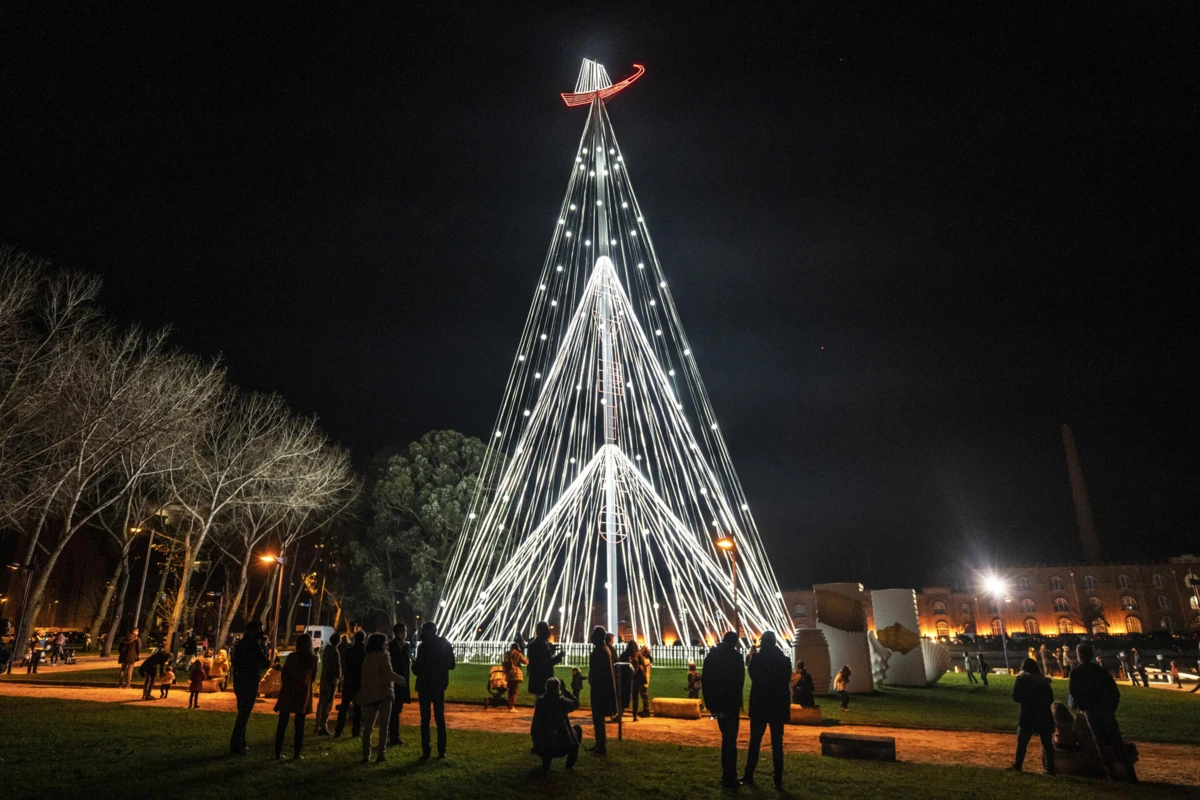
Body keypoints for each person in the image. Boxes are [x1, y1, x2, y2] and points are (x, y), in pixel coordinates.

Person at [1069, 643, 1137, 782]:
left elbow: (1075, 693)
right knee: (1117, 740)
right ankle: (1129, 772)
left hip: (1092, 710)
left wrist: (1084, 707)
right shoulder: (1100, 671)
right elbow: (1113, 691)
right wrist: (1111, 707)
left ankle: (1111, 772)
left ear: (1080, 655)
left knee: (1099, 741)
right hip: (1106, 709)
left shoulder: (1077, 672)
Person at [744, 631, 790, 790]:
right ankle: (778, 780)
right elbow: (786, 679)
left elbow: (753, 675)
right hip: (777, 706)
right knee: (777, 745)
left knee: (754, 742)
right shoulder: (784, 660)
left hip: (760, 705)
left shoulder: (757, 660)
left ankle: (749, 774)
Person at [703, 631, 745, 789]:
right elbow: (739, 682)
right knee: (730, 738)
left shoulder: (712, 655)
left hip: (717, 703)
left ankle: (727, 775)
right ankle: (730, 775)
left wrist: (709, 703)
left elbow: (706, 679)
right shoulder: (736, 657)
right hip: (731, 703)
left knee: (725, 736)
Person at [359, 632, 408, 764]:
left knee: (368, 727)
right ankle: (381, 753)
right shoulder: (384, 656)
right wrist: (400, 679)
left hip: (369, 694)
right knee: (383, 726)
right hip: (383, 693)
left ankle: (366, 754)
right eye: (385, 641)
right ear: (380, 643)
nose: (387, 643)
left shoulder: (367, 657)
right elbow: (387, 673)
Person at [412, 620, 456, 760]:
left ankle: (426, 750)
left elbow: (418, 669)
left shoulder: (423, 646)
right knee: (440, 717)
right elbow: (452, 665)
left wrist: (414, 665)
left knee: (425, 719)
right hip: (439, 685)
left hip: (425, 685)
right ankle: (442, 750)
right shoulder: (445, 644)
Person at [229, 621, 271, 756]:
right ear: (253, 631)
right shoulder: (254, 644)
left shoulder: (241, 643)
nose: (261, 633)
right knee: (244, 713)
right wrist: (263, 646)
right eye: (259, 630)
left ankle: (241, 741)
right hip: (250, 681)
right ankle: (236, 743)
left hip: (239, 680)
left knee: (243, 711)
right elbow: (265, 662)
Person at [1009, 657, 1056, 775]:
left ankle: (1018, 764)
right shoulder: (1044, 681)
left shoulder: (1022, 679)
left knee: (1022, 742)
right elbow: (1051, 699)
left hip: (1028, 714)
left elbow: (1016, 697)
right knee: (1047, 743)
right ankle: (1050, 768)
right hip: (1044, 715)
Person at [274, 634, 316, 761]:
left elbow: (284, 673)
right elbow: (313, 678)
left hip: (288, 691)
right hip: (302, 693)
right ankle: (297, 753)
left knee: (282, 723)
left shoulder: (292, 657)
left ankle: (277, 752)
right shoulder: (312, 659)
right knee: (299, 725)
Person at [531, 676, 582, 771]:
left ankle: (546, 763)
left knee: (547, 732)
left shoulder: (541, 701)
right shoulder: (562, 701)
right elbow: (576, 703)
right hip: (560, 746)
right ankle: (569, 765)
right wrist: (565, 690)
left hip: (540, 745)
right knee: (576, 730)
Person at [587, 626, 617, 756]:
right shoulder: (603, 649)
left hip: (600, 689)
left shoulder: (601, 651)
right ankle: (599, 743)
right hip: (600, 688)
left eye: (594, 634)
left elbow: (599, 671)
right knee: (598, 719)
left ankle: (601, 746)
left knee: (598, 718)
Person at [335, 630, 367, 738]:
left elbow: (345, 665)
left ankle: (338, 729)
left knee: (344, 706)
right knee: (358, 707)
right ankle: (356, 730)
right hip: (359, 681)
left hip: (349, 680)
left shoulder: (348, 651)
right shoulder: (364, 652)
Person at [387, 624, 411, 746]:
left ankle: (395, 736)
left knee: (397, 710)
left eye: (405, 631)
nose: (404, 633)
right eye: (401, 631)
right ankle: (393, 737)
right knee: (393, 711)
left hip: (403, 682)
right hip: (394, 682)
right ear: (396, 633)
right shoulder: (390, 647)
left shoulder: (407, 646)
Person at [525, 621, 563, 699]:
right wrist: (557, 658)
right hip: (541, 679)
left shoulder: (540, 644)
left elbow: (544, 659)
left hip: (541, 678)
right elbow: (543, 663)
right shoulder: (536, 645)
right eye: (547, 630)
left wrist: (551, 651)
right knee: (541, 700)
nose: (549, 632)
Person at [315, 633, 342, 736]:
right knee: (328, 703)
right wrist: (339, 676)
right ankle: (323, 725)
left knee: (321, 702)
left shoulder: (326, 651)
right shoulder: (335, 651)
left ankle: (318, 725)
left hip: (324, 679)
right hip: (331, 681)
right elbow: (337, 666)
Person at [503, 641, 528, 712]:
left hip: (508, 674)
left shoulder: (507, 654)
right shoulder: (518, 654)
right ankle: (511, 707)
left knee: (510, 690)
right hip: (515, 673)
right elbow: (525, 662)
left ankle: (509, 705)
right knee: (514, 690)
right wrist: (528, 658)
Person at [616, 640, 638, 719]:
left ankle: (620, 713)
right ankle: (635, 715)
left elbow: (619, 665)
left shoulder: (624, 654)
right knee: (635, 697)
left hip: (625, 679)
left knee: (623, 696)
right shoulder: (637, 655)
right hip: (635, 679)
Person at [634, 642, 653, 717]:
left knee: (644, 695)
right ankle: (645, 710)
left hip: (644, 679)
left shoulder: (647, 660)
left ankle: (647, 710)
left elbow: (641, 663)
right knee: (643, 694)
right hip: (643, 679)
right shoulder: (647, 659)